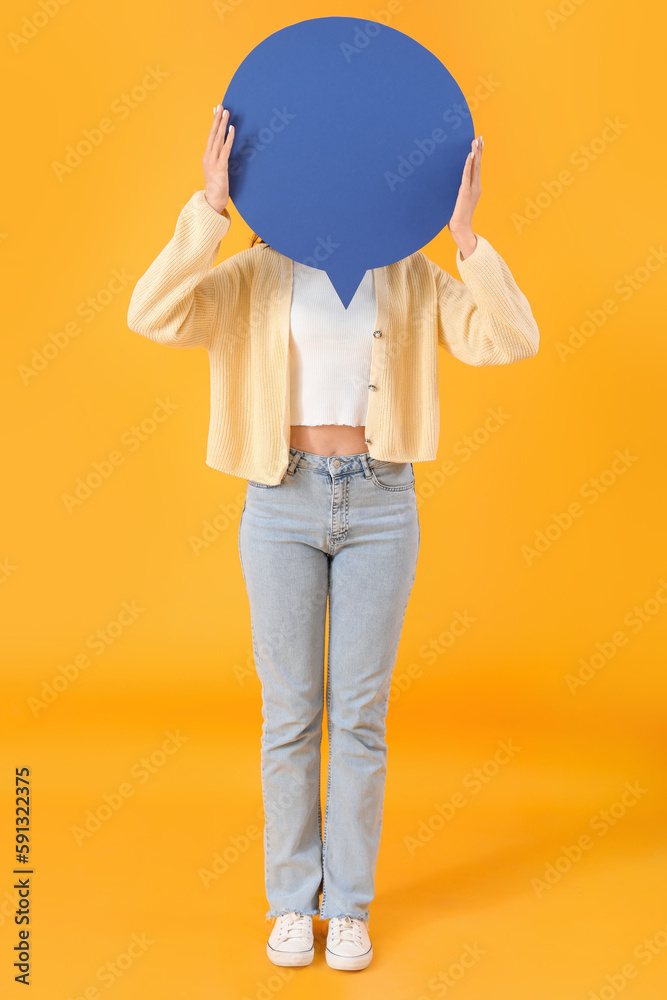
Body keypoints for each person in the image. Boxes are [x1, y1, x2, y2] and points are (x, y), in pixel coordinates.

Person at [126, 102, 540, 973]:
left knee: (357, 716)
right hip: (280, 503)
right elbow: (152, 315)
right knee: (290, 715)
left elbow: (509, 338)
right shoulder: (257, 270)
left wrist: (467, 242)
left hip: (382, 504)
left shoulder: (408, 274)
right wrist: (207, 212)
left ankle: (346, 907)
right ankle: (290, 903)